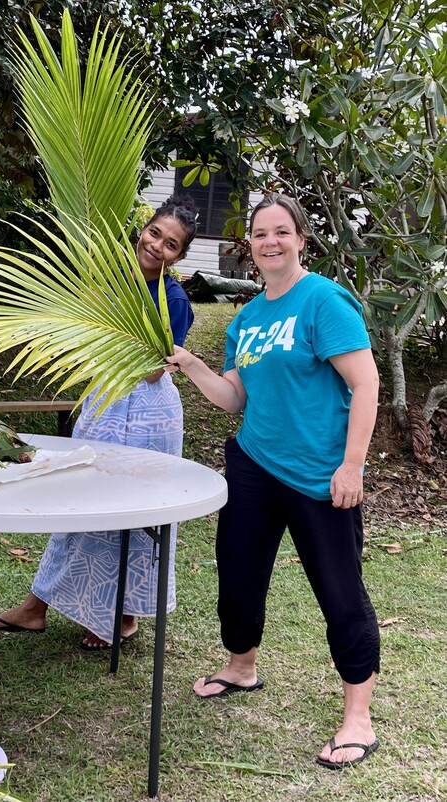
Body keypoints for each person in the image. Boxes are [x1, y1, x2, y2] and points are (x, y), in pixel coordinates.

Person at [165, 193, 381, 769]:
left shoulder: (323, 301)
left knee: (339, 592)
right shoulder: (248, 317)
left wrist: (351, 465)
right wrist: (194, 367)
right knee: (238, 575)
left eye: (281, 232)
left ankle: (358, 715)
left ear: (301, 240)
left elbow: (366, 384)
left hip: (318, 475)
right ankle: (242, 666)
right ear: (250, 246)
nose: (270, 242)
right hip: (254, 465)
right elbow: (236, 397)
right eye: (260, 234)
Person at [0, 194, 196, 649]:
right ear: (145, 228)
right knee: (80, 505)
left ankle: (127, 614)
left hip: (148, 416)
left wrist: (102, 341)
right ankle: (36, 608)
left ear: (179, 256)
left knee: (137, 514)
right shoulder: (110, 280)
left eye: (171, 244)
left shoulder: (173, 299)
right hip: (103, 403)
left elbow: (154, 368)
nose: (157, 246)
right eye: (155, 232)